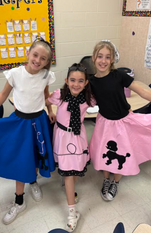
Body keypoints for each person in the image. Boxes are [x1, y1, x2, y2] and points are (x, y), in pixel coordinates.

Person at [0, 38, 57, 224]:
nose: (38, 60)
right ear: (28, 53)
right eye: (35, 55)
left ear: (47, 62)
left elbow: (45, 96)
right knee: (20, 161)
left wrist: (51, 111)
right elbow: (3, 94)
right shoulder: (15, 73)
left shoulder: (46, 76)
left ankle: (33, 181)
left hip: (39, 121)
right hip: (20, 122)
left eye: (43, 58)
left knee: (37, 155)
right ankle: (19, 201)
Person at [89, 40, 151, 202]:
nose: (103, 60)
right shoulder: (91, 81)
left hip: (122, 123)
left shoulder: (119, 75)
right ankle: (106, 179)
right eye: (100, 56)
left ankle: (116, 182)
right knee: (103, 152)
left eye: (108, 57)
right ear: (94, 57)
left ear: (113, 59)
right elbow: (87, 100)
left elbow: (143, 92)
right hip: (103, 123)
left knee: (120, 152)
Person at [47, 63, 96, 231]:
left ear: (86, 83)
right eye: (73, 80)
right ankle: (72, 212)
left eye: (80, 81)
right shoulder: (59, 95)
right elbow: (44, 98)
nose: (76, 84)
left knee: (74, 170)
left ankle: (69, 186)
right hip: (62, 135)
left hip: (78, 136)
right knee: (69, 173)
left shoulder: (89, 99)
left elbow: (106, 103)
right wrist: (49, 111)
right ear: (66, 80)